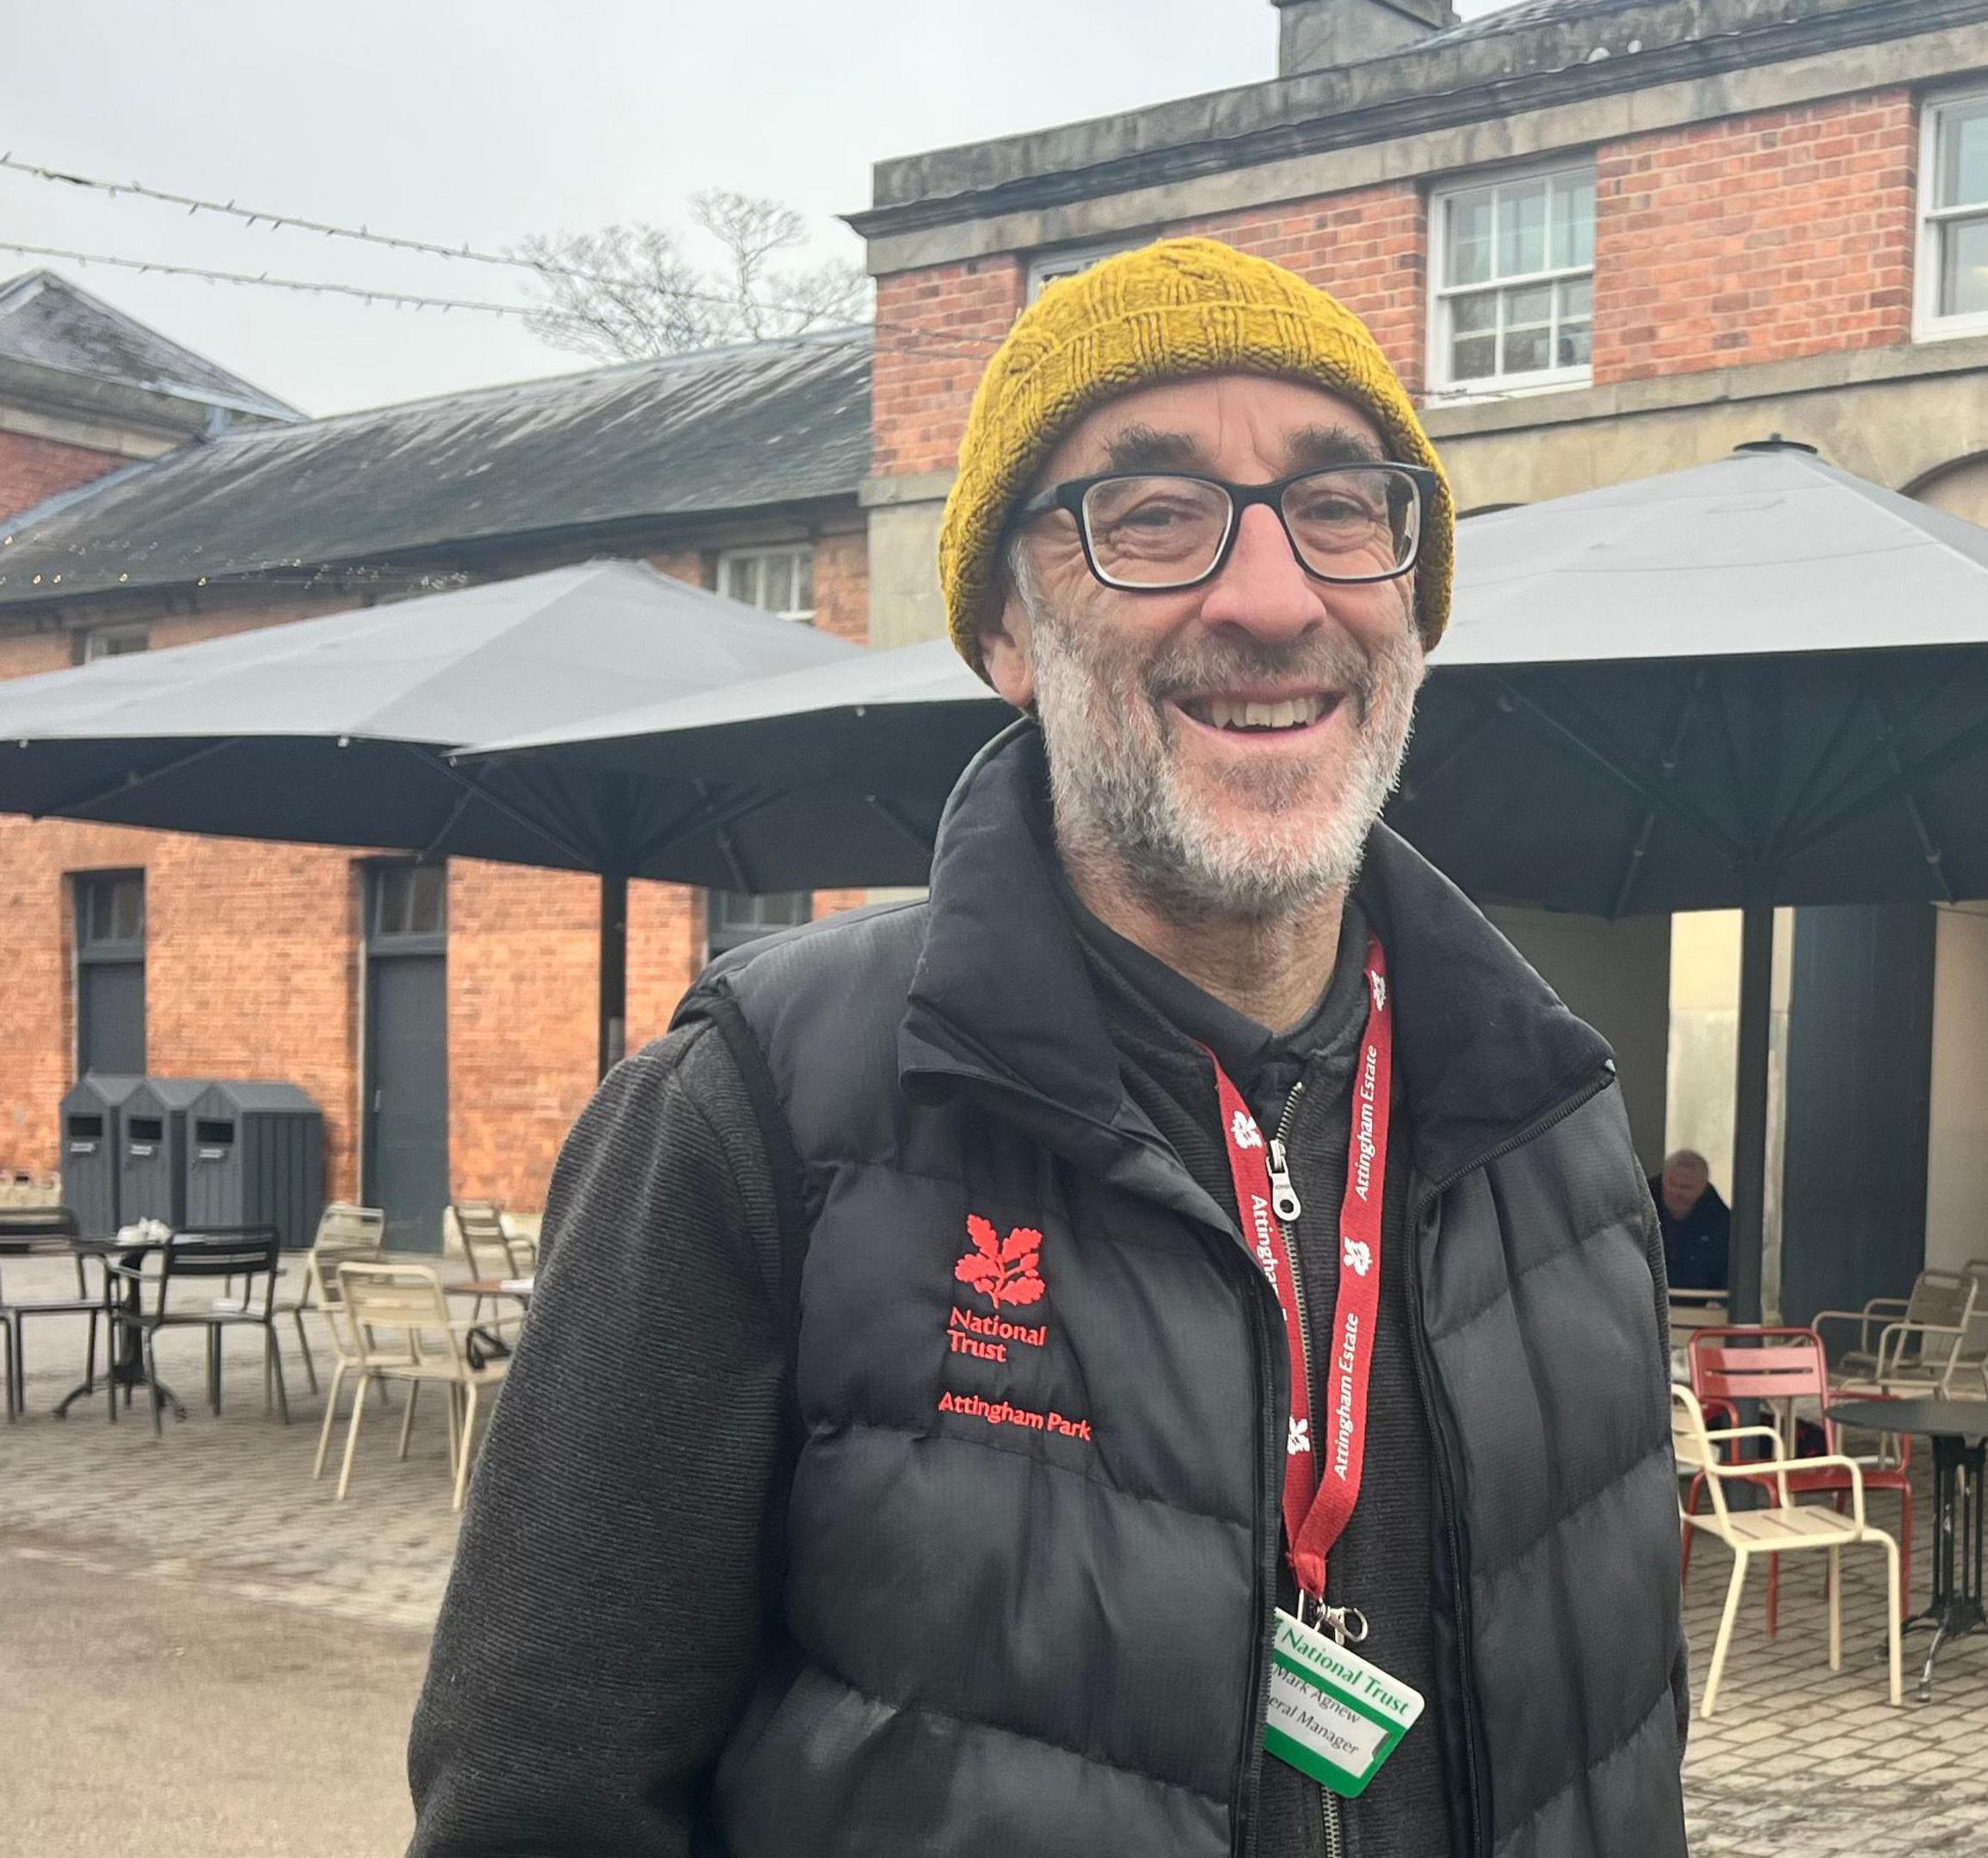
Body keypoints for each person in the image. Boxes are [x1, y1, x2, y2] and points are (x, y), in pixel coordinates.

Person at [407, 241, 1689, 1858]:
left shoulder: (1556, 1136)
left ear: (1411, 607)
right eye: (1150, 516)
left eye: (1342, 507)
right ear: (1009, 635)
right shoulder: (757, 1112)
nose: (1271, 595)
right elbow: (541, 1809)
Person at [1648, 1148, 1729, 1294]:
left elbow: (1729, 1268)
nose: (1677, 1192)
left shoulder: (1721, 1220)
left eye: (1686, 1187)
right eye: (1671, 1184)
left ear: (1703, 1187)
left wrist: (1719, 1300)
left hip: (1701, 1306)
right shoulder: (1640, 1207)